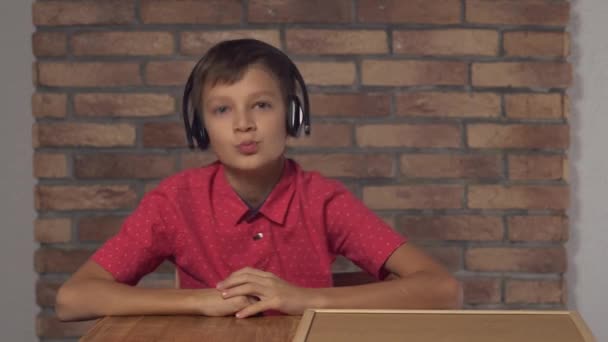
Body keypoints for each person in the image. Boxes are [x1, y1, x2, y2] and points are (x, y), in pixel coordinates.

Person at [56, 39, 461, 321]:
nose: (244, 125)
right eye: (222, 110)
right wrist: (200, 301)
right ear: (201, 127)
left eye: (261, 105)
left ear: (292, 116)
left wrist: (304, 299)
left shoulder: (322, 200)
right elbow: (73, 300)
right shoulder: (175, 202)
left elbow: (443, 289)